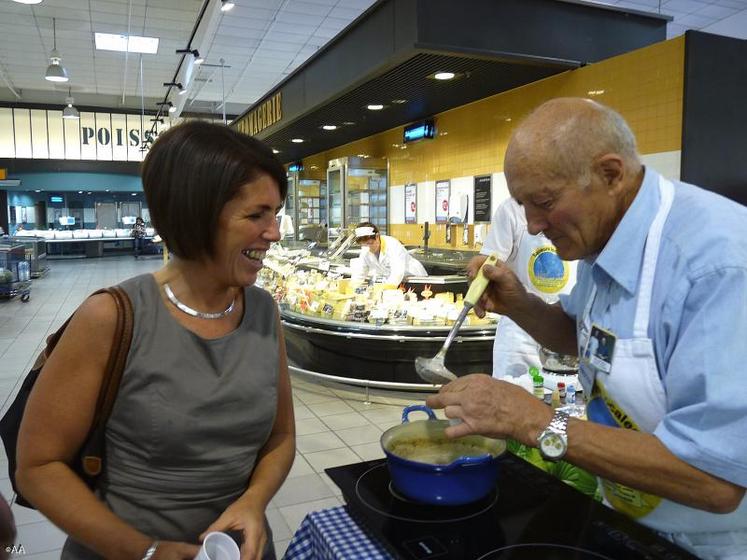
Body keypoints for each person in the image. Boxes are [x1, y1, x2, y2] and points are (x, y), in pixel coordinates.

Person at [427, 98, 747, 559]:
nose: (535, 226)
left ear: (611, 174)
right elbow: (583, 334)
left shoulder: (715, 266)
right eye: (524, 206)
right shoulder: (607, 238)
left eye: (544, 202)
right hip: (625, 521)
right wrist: (519, 303)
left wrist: (532, 419)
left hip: (711, 546)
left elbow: (714, 478)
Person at [16, 121, 296, 560]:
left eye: (275, 214)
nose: (274, 232)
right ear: (198, 215)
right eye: (257, 215)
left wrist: (253, 501)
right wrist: (145, 551)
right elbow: (37, 467)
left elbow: (280, 437)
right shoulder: (110, 316)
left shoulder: (263, 311)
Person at [468, 197, 576, 378]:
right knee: (510, 397)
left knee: (566, 400)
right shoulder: (510, 209)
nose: (535, 227)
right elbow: (492, 262)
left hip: (570, 327)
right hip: (519, 335)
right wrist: (484, 278)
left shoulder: (579, 206)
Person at [351, 222, 427, 285]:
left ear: (377, 236)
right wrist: (352, 288)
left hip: (413, 278)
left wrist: (384, 290)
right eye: (364, 244)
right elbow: (360, 272)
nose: (368, 247)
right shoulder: (365, 249)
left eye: (370, 243)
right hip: (393, 281)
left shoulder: (392, 245)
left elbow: (397, 274)